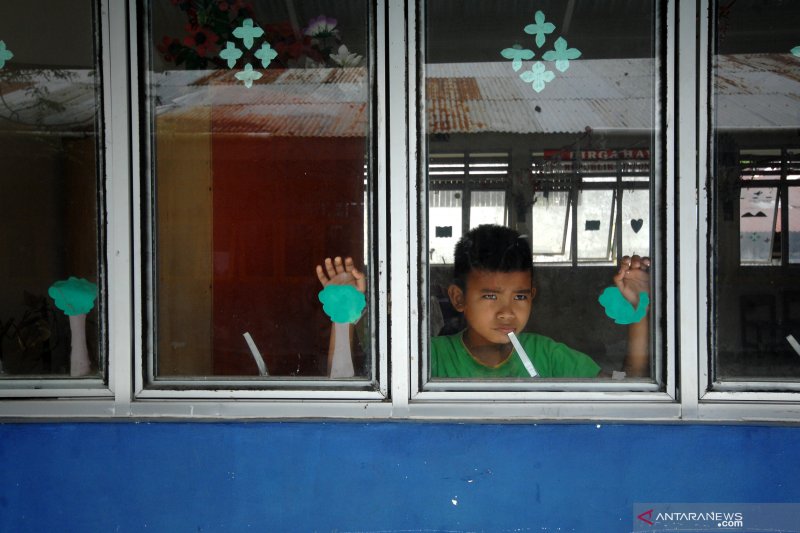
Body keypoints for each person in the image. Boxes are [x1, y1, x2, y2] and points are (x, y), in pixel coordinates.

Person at [316, 224, 650, 378]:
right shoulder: (430, 359)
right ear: (458, 298)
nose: (507, 311)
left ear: (532, 296)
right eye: (489, 296)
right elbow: (346, 391)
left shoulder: (549, 357)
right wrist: (342, 317)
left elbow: (634, 391)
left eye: (519, 296)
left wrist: (638, 313)